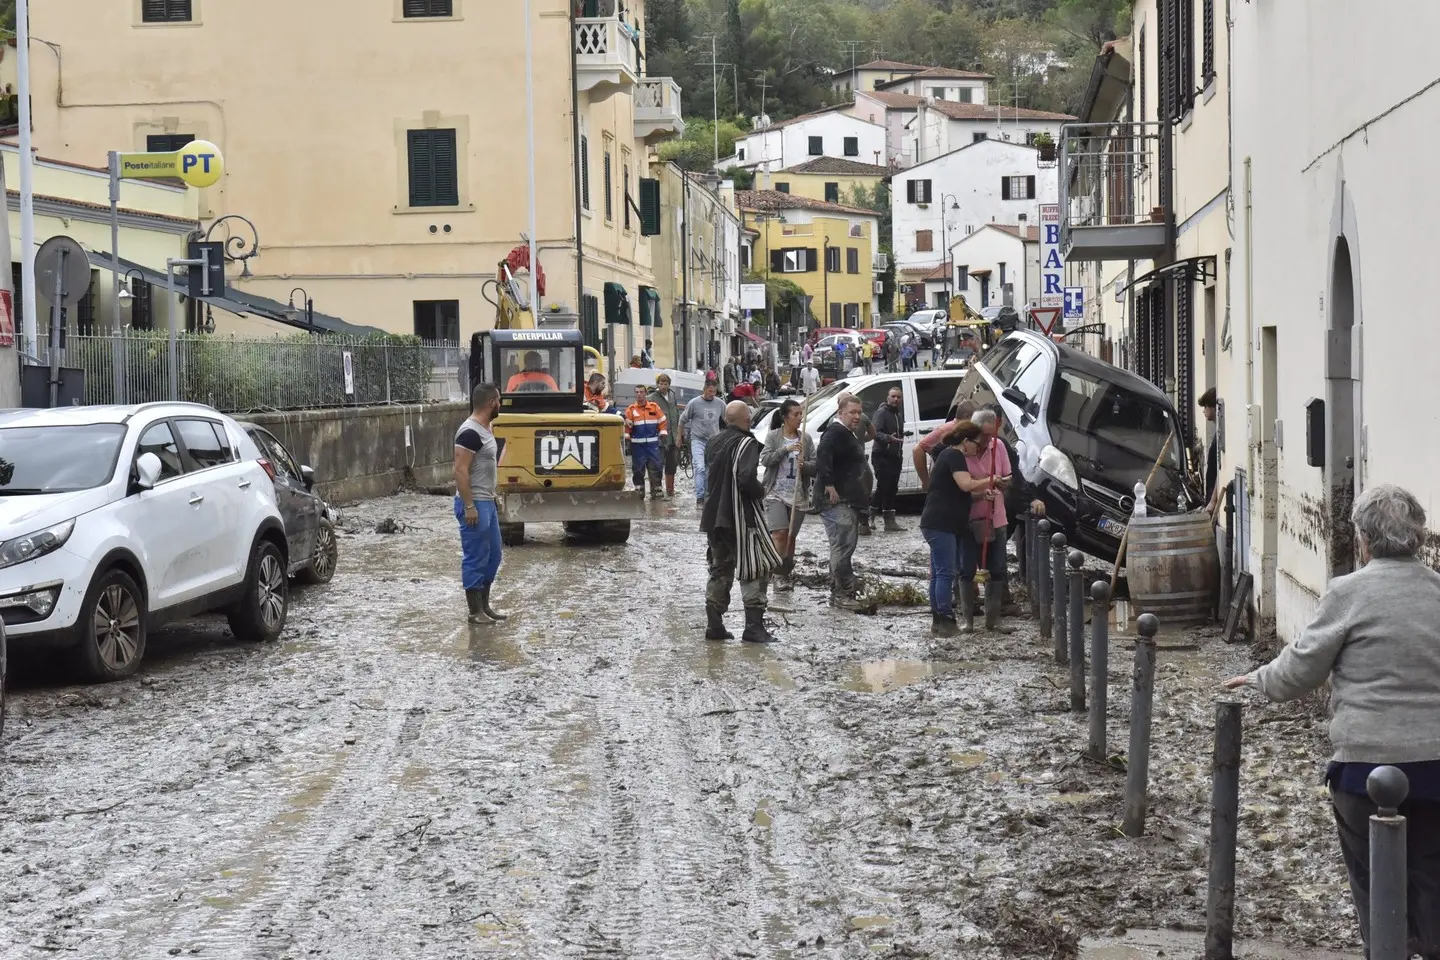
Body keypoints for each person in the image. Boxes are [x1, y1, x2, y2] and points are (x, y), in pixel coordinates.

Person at [1224, 485, 1440, 959]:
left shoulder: (1348, 593)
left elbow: (1300, 671)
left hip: (1364, 772)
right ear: (1419, 538)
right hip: (1437, 769)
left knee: (1375, 887)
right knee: (1432, 882)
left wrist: (1256, 679)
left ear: (1362, 539)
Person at [700, 400, 781, 644]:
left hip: (714, 518)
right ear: (747, 421)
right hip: (740, 516)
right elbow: (746, 478)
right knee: (755, 566)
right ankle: (753, 628)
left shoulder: (713, 442)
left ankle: (714, 625)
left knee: (720, 568)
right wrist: (760, 491)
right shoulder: (747, 443)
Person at [919, 420, 986, 636]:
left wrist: (983, 494)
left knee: (939, 573)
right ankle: (947, 619)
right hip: (942, 523)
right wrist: (990, 479)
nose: (978, 448)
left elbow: (960, 493)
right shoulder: (955, 456)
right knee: (946, 573)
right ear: (966, 441)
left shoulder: (949, 456)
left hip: (936, 522)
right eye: (977, 443)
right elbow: (966, 485)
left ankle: (938, 621)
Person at [453, 383, 507, 624]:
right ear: (491, 403)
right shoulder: (470, 432)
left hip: (487, 500)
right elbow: (460, 470)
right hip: (474, 503)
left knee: (494, 554)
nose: (501, 404)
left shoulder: (486, 428)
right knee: (475, 556)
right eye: (499, 400)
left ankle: (485, 605)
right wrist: (469, 506)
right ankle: (475, 611)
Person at [959, 408, 1013, 633]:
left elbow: (1009, 476)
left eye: (991, 434)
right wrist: (981, 489)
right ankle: (968, 620)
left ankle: (993, 620)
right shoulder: (961, 451)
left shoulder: (998, 446)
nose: (987, 440)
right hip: (969, 519)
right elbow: (959, 488)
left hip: (996, 518)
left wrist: (1003, 483)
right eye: (983, 434)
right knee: (966, 569)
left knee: (997, 568)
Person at [814, 393, 869, 609]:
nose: (857, 417)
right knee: (843, 546)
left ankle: (843, 589)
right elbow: (823, 455)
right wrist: (829, 485)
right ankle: (841, 593)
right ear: (840, 413)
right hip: (836, 501)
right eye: (852, 413)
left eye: (859, 412)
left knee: (843, 546)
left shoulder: (846, 432)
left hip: (847, 499)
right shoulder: (835, 433)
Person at [761, 398, 816, 604]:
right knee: (780, 534)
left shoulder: (806, 439)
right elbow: (765, 460)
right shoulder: (774, 437)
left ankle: (785, 570)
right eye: (796, 415)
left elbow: (815, 465)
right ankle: (776, 574)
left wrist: (805, 465)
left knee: (791, 537)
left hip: (797, 496)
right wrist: (785, 450)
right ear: (785, 417)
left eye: (801, 414)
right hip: (775, 492)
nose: (800, 418)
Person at [677, 378, 726, 505]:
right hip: (697, 439)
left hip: (714, 441)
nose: (712, 394)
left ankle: (707, 495)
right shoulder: (694, 403)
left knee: (710, 469)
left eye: (714, 392)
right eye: (710, 391)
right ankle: (699, 497)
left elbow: (728, 420)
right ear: (704, 390)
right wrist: (679, 437)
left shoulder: (720, 404)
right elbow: (682, 420)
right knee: (700, 467)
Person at [870, 386, 906, 532]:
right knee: (883, 486)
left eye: (898, 397)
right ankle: (868, 516)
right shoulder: (881, 413)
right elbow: (875, 433)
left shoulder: (898, 414)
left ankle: (889, 521)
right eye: (893, 396)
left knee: (893, 488)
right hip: (881, 455)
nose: (895, 399)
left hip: (895, 456)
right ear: (887, 398)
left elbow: (899, 434)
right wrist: (889, 439)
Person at [623, 384, 668, 499]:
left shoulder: (654, 407)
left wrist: (663, 433)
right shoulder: (631, 410)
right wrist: (627, 440)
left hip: (652, 445)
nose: (639, 394)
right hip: (637, 446)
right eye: (637, 392)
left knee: (656, 468)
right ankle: (639, 492)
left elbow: (662, 421)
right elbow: (627, 428)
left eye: (641, 392)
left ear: (646, 393)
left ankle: (657, 491)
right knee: (638, 470)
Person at [649, 373, 681, 500]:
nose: (663, 386)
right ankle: (656, 491)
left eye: (666, 384)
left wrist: (679, 434)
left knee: (671, 465)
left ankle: (670, 490)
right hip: (658, 438)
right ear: (657, 384)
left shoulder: (672, 395)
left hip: (672, 436)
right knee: (657, 464)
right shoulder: (651, 398)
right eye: (661, 384)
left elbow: (676, 414)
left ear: (669, 384)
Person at [1199, 388, 1223, 517]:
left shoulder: (1219, 437)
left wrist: (1213, 501)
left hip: (1214, 497)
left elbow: (1220, 470)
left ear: (1213, 407)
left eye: (1205, 406)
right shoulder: (1216, 434)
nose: (1204, 410)